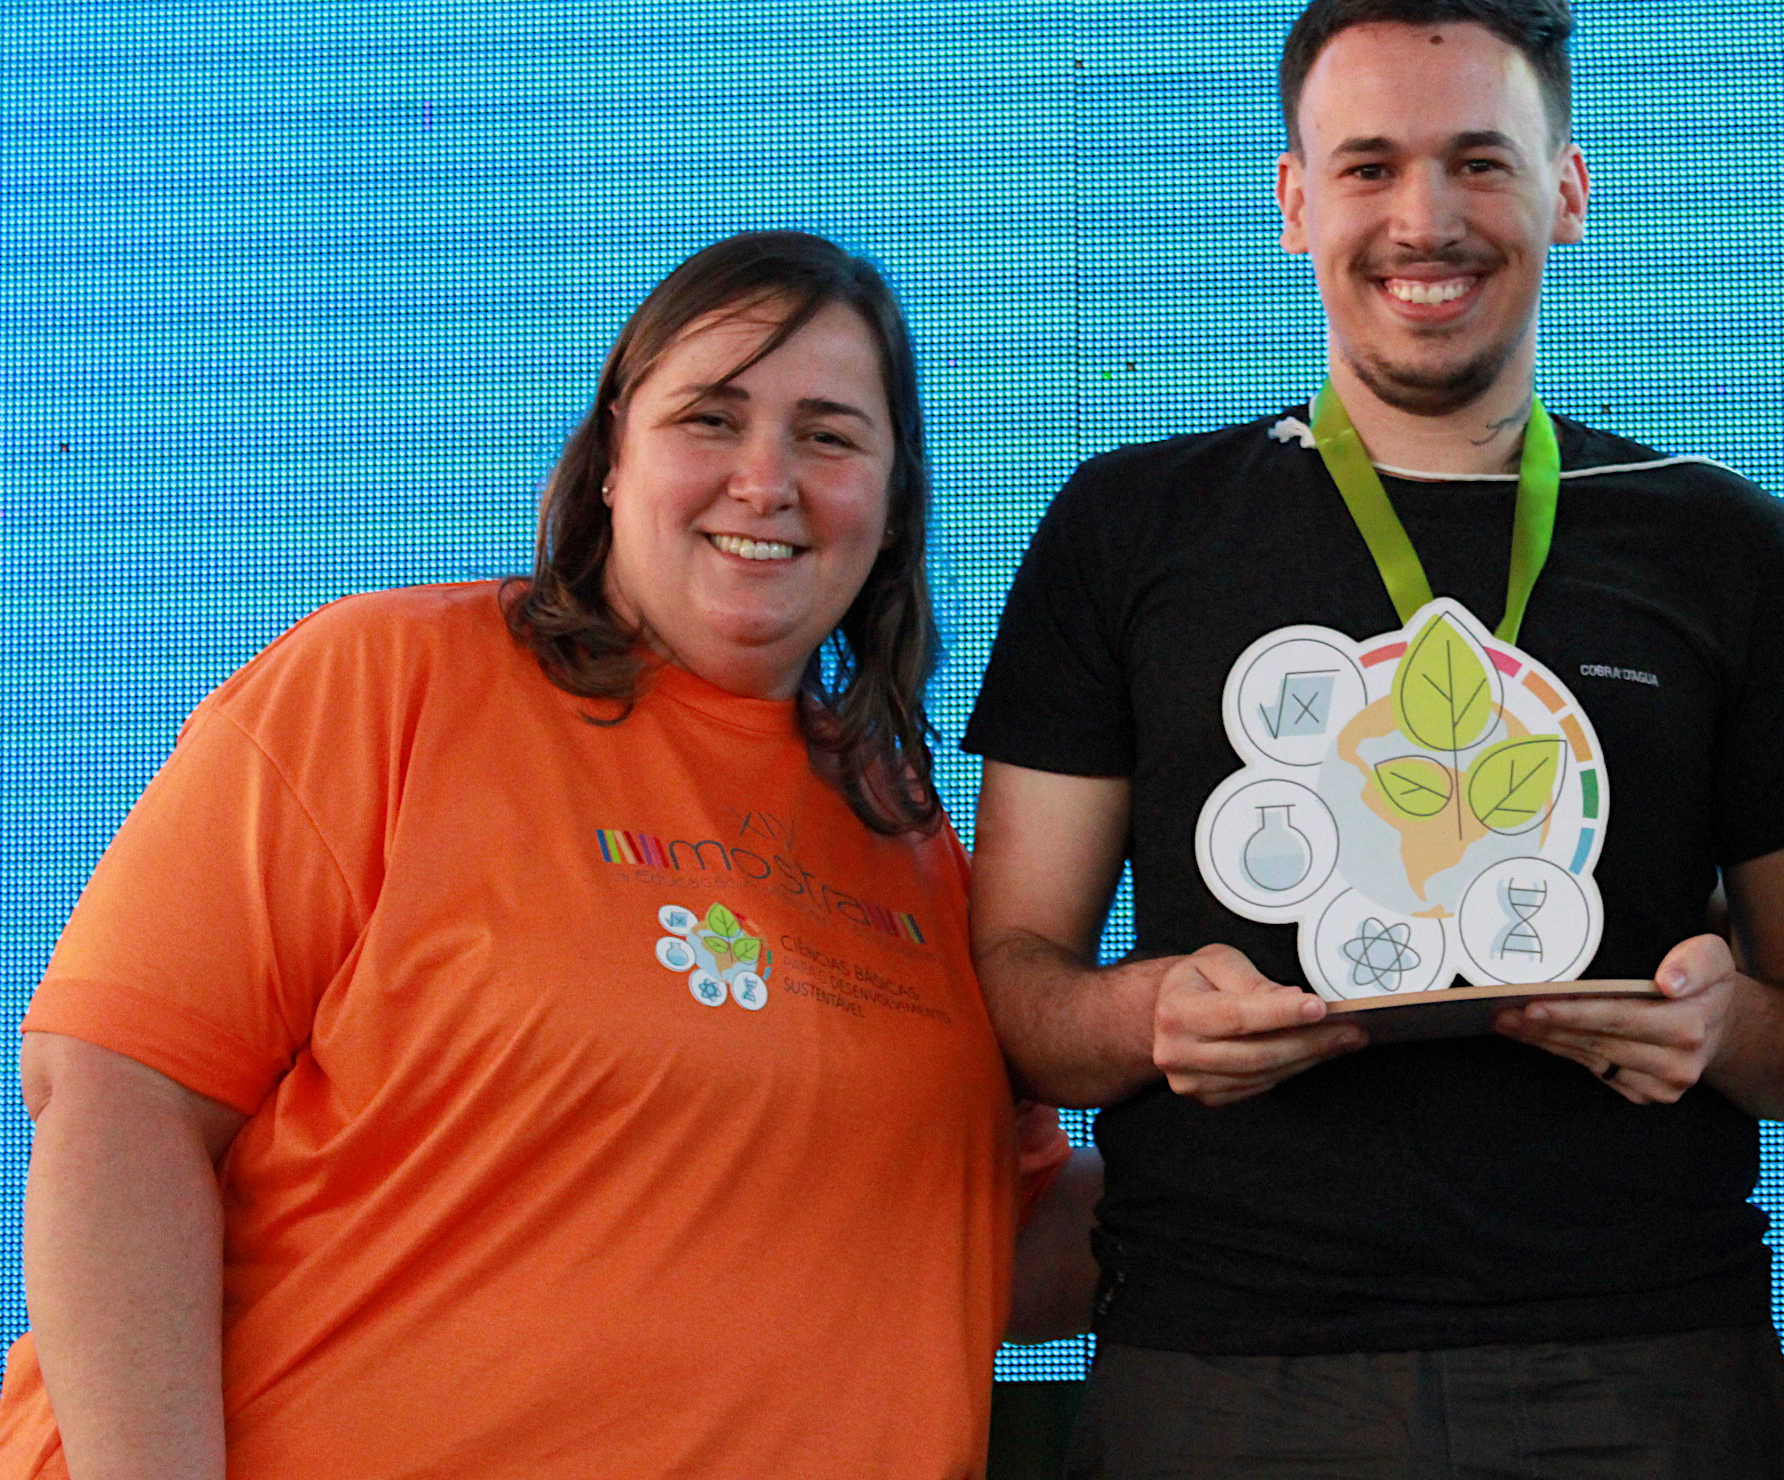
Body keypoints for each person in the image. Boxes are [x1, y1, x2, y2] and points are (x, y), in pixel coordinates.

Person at [0, 230, 1099, 1480]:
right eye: (711, 418)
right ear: (613, 457)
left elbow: (991, 1247)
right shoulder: (394, 682)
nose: (766, 480)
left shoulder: (913, 845)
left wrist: (1273, 1131)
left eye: (830, 436)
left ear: (896, 503)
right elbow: (119, 1101)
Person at [965, 0, 1784, 1477]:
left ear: (1568, 193)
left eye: (1479, 162)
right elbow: (1016, 985)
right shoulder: (1130, 524)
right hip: (1227, 1365)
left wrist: (1722, 1024)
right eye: (1369, 166)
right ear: (1295, 202)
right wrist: (1142, 1015)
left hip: (1643, 1360)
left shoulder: (1720, 541)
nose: (1424, 219)